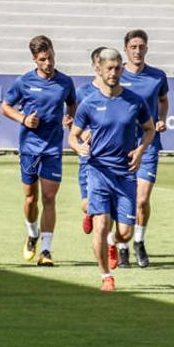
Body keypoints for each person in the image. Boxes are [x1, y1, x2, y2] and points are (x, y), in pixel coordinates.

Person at [68, 48, 155, 292]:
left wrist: (140, 150)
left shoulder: (134, 101)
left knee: (125, 233)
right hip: (98, 172)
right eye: (109, 68)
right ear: (99, 69)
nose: (114, 73)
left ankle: (112, 242)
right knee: (101, 223)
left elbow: (149, 129)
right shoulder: (89, 103)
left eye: (118, 68)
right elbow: (73, 137)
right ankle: (106, 275)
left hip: (126, 173)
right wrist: (79, 148)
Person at [0, 35, 77, 266]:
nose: (48, 63)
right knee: (31, 198)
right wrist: (24, 119)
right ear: (35, 59)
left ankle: (46, 250)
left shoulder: (65, 82)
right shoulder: (24, 82)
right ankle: (32, 233)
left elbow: (72, 103)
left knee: (49, 198)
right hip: (30, 148)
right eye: (43, 59)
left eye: (51, 57)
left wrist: (70, 117)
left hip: (52, 148)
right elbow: (5, 107)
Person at [119, 30, 169, 268]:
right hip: (121, 144)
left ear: (146, 49)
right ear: (126, 49)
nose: (137, 51)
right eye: (133, 47)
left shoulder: (157, 76)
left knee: (141, 199)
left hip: (148, 144)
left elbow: (163, 100)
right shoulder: (116, 75)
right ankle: (121, 246)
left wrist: (161, 118)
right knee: (123, 196)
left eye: (141, 46)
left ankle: (138, 241)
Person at [75, 47, 107, 236]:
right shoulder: (82, 92)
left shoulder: (119, 92)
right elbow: (73, 123)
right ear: (95, 66)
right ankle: (90, 213)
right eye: (100, 62)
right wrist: (81, 130)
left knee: (109, 206)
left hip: (112, 155)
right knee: (87, 204)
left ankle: (111, 245)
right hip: (88, 155)